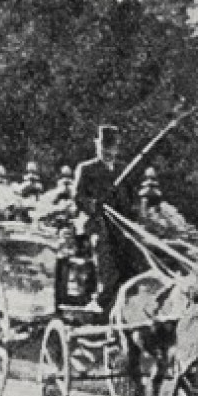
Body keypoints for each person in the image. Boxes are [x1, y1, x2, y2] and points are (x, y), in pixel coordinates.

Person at [71, 125, 137, 314]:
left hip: (120, 224)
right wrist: (95, 205)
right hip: (97, 223)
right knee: (104, 252)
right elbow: (78, 198)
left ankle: (129, 300)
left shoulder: (124, 169)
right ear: (97, 147)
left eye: (111, 149)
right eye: (104, 149)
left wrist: (128, 213)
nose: (108, 153)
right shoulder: (86, 169)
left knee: (133, 255)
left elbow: (131, 198)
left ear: (116, 148)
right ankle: (102, 300)